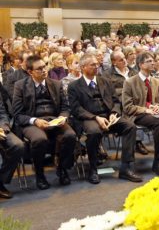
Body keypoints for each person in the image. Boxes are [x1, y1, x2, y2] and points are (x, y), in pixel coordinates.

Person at [68, 53, 141, 184]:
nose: (97, 66)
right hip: (89, 118)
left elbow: (116, 101)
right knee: (94, 132)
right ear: (83, 67)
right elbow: (76, 109)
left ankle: (126, 167)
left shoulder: (105, 81)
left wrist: (114, 112)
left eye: (97, 64)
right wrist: (95, 117)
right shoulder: (74, 86)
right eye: (93, 65)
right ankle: (93, 168)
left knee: (130, 126)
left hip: (108, 116)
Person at [12, 55, 76, 190]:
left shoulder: (56, 84)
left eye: (45, 66)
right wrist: (35, 121)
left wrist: (63, 117)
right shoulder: (20, 86)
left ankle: (62, 168)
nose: (44, 70)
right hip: (32, 122)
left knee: (70, 135)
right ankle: (40, 175)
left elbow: (65, 107)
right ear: (30, 72)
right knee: (39, 139)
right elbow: (17, 115)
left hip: (54, 119)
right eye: (39, 69)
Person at [0, 87, 23, 199]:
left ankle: (0, 182)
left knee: (17, 145)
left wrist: (3, 127)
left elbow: (2, 113)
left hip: (0, 130)